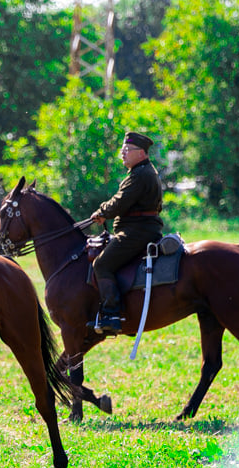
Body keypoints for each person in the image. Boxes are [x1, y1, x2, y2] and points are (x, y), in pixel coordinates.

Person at [89, 131, 163, 335]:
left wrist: (102, 212)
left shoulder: (140, 174)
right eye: (122, 150)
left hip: (137, 232)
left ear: (141, 153)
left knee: (102, 264)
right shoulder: (143, 171)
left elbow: (121, 201)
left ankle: (112, 314)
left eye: (127, 150)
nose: (123, 154)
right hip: (142, 229)